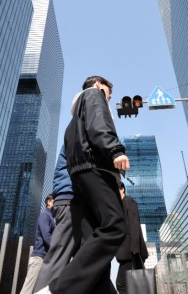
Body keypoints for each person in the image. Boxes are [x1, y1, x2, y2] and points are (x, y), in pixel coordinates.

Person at [38, 76, 129, 294]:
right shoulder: (93, 95)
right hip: (96, 169)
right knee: (115, 226)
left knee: (93, 244)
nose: (109, 97)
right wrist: (115, 149)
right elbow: (100, 124)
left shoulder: (74, 117)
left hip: (81, 175)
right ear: (98, 85)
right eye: (108, 91)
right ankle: (55, 290)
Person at [34, 146, 75, 291]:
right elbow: (47, 237)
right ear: (48, 202)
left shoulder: (50, 216)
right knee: (58, 257)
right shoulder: (45, 216)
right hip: (70, 199)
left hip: (71, 199)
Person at [115, 182, 148, 294]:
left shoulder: (129, 201)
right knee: (127, 283)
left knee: (121, 283)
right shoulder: (120, 204)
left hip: (131, 250)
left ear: (122, 189)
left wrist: (135, 249)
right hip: (126, 250)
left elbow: (135, 224)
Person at [20, 195, 56, 294]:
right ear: (49, 202)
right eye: (55, 201)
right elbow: (46, 235)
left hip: (43, 258)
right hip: (38, 258)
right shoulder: (45, 215)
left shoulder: (51, 218)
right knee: (27, 290)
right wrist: (56, 248)